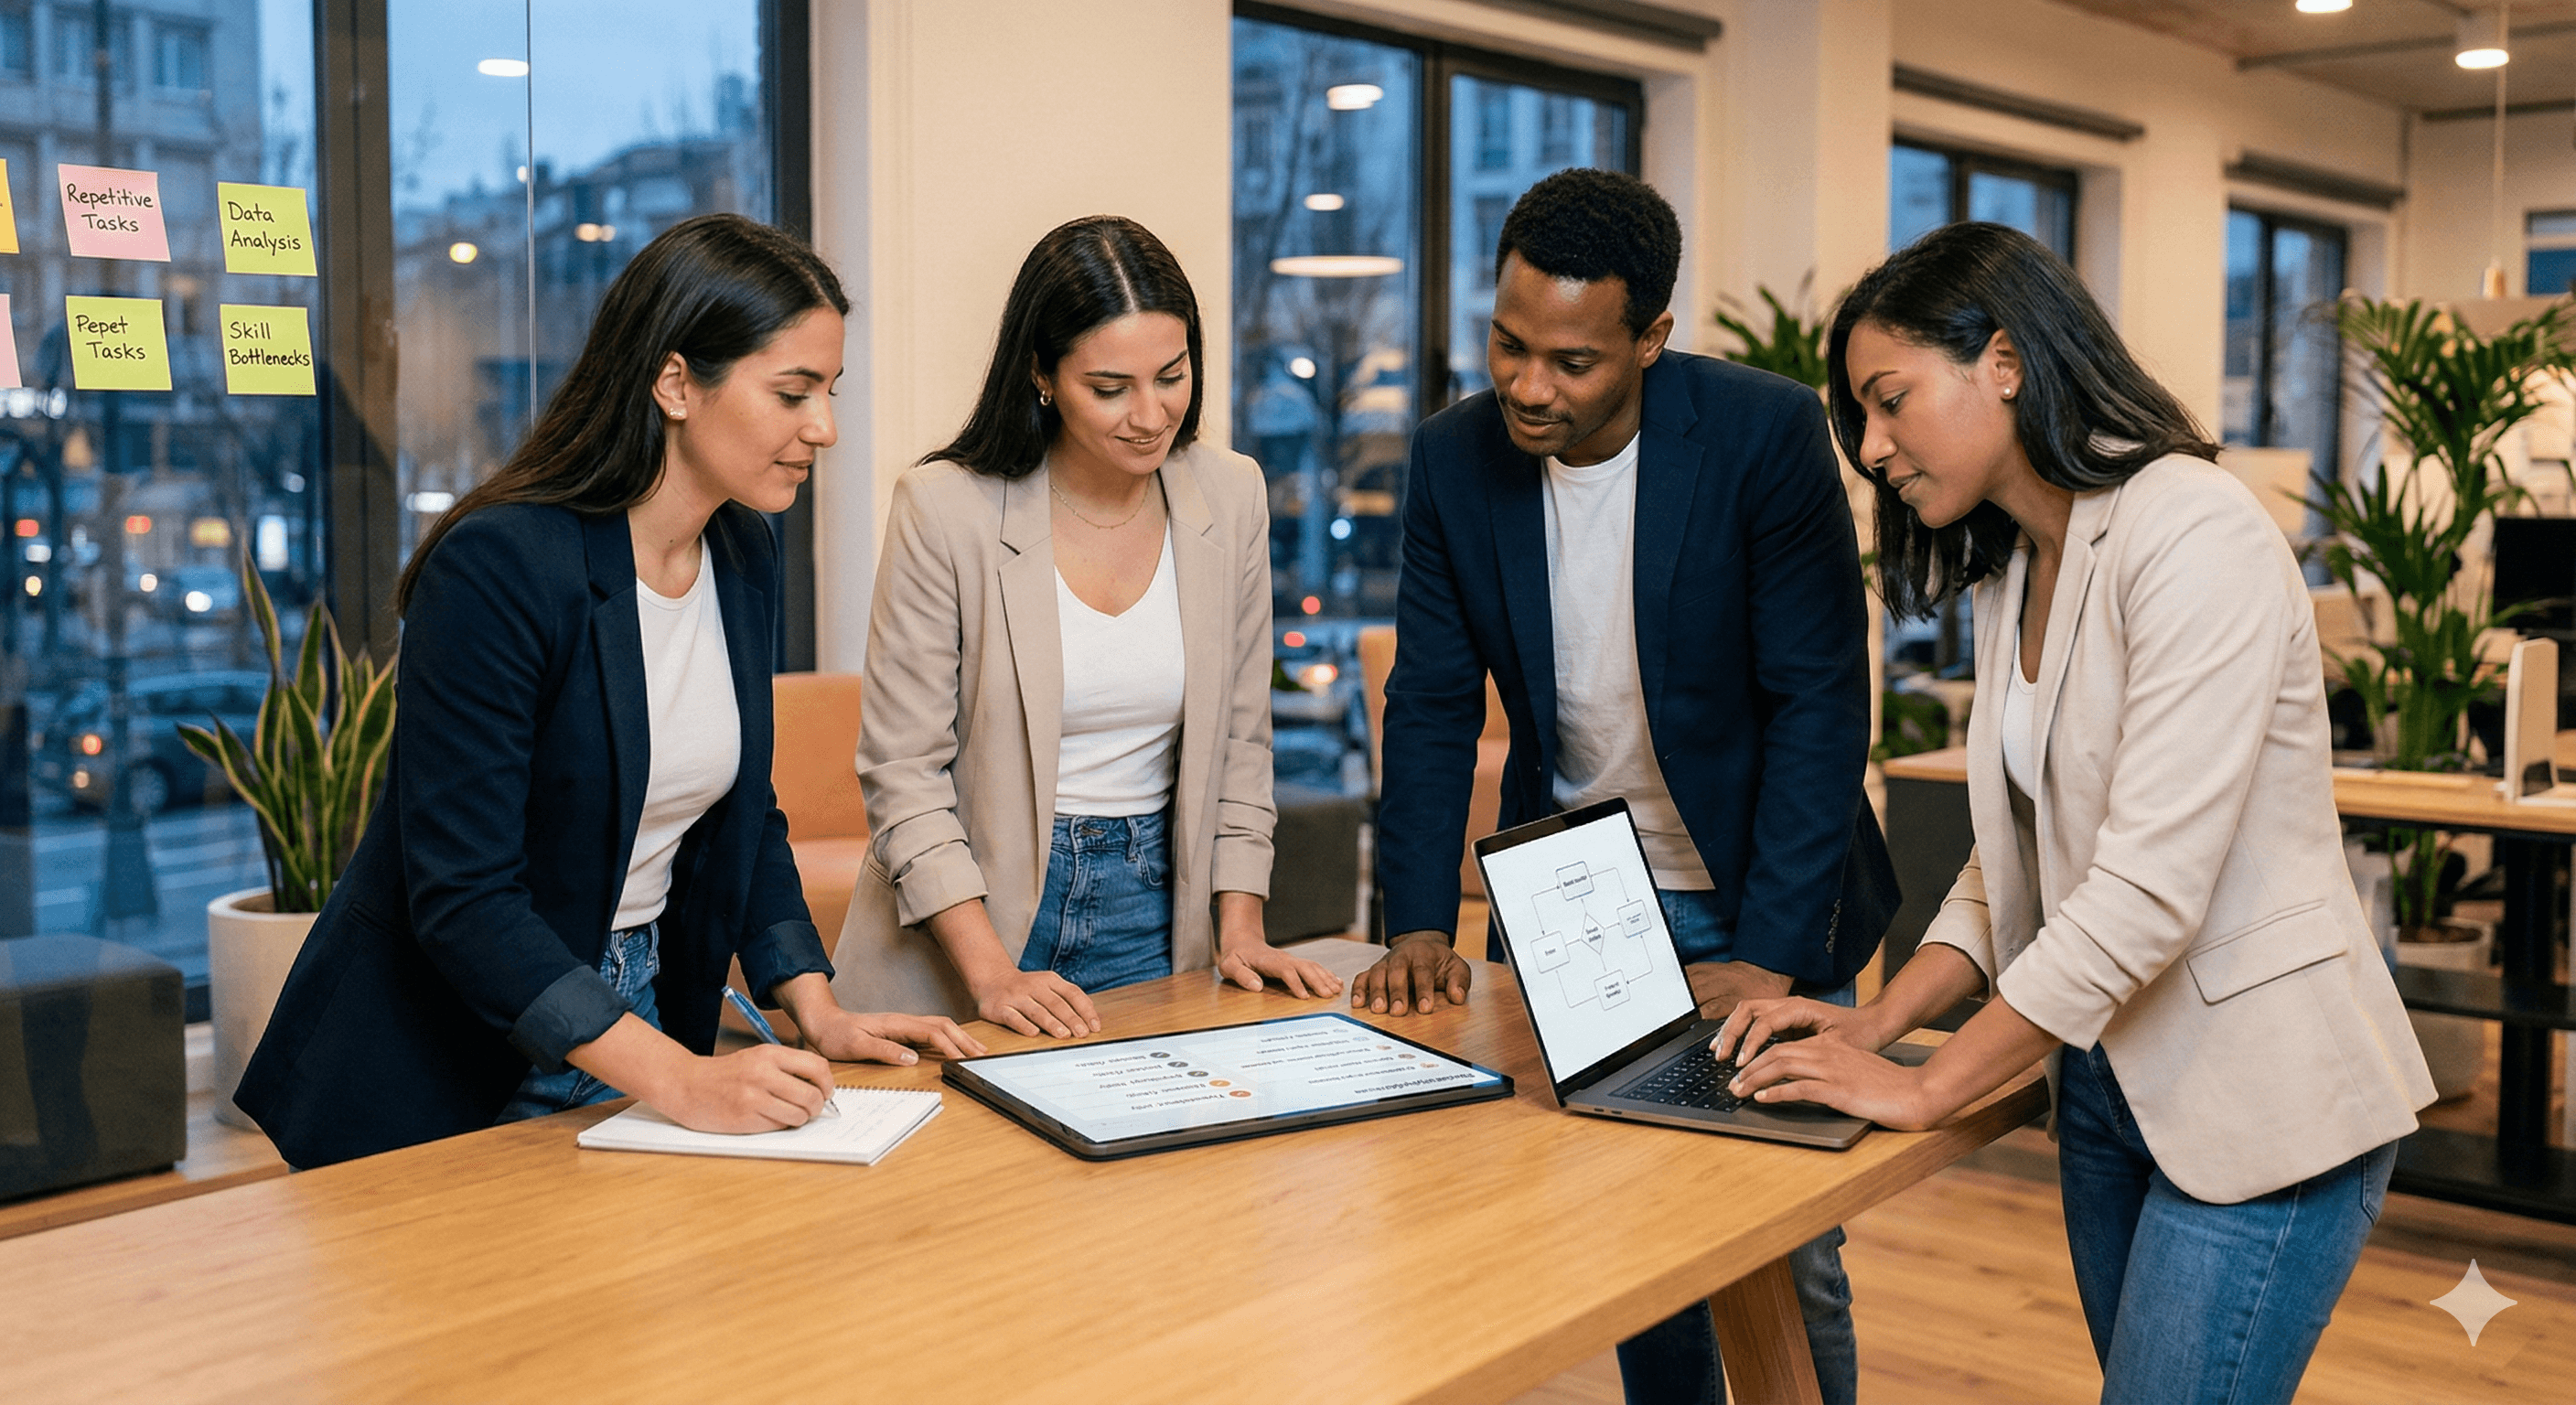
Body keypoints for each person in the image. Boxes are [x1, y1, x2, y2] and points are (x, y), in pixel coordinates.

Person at [1717, 221, 2435, 1405]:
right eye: (1863, 420)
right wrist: (1882, 1023)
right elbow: (2016, 867)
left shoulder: (2193, 528)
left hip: (2265, 1098)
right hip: (2109, 1083)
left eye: (1890, 402)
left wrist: (1932, 1085)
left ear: (2004, 358)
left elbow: (2146, 893)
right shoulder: (2020, 572)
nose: (1875, 448)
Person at [237, 214, 982, 1171]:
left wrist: (813, 1004)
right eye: (792, 393)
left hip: (644, 1009)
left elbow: (743, 815)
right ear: (675, 382)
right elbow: (464, 900)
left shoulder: (741, 548)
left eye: (829, 392)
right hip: (459, 1049)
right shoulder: (500, 565)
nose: (824, 429)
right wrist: (681, 1077)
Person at [1353, 167, 1896, 1405]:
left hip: (1764, 884)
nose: (1530, 387)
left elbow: (1820, 706)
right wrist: (1422, 923)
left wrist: (1768, 953)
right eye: (1509, 344)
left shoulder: (1760, 435)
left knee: (1786, 1241)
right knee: (1636, 1238)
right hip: (1592, 901)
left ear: (1651, 337)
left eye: (1575, 361)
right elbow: (1433, 702)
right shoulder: (1453, 459)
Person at [830, 215, 1340, 1037]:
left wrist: (1241, 926)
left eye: (1172, 376)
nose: (1150, 414)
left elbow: (1243, 741)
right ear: (1041, 373)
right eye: (1110, 389)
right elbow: (903, 774)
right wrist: (991, 970)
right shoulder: (945, 508)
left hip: (1159, 910)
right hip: (971, 920)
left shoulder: (1231, 493)